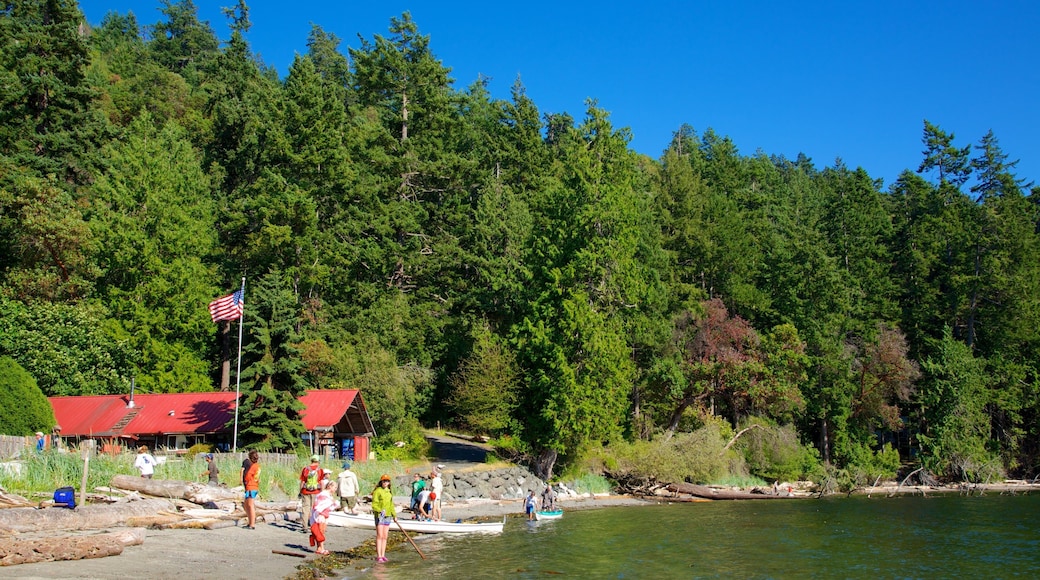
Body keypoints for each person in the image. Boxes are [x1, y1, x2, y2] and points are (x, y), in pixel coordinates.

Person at [299, 455, 330, 533]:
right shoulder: (320, 470)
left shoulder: (305, 469)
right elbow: (321, 482)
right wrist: (322, 492)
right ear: (318, 461)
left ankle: (305, 526)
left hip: (305, 491)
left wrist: (300, 491)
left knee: (305, 509)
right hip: (316, 492)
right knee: (315, 509)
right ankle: (314, 526)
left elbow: (302, 481)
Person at [371, 474, 397, 563]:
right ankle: (379, 556)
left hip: (388, 515)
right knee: (380, 536)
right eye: (384, 481)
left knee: (385, 536)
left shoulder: (389, 492)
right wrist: (379, 510)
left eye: (387, 481)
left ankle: (383, 555)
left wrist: (394, 515)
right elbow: (374, 504)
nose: (385, 482)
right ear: (381, 482)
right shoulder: (377, 491)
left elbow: (391, 505)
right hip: (380, 516)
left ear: (389, 482)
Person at [309, 480, 337, 555]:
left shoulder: (328, 495)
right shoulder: (324, 494)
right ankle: (321, 548)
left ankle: (319, 548)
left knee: (320, 532)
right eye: (335, 487)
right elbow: (319, 506)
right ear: (330, 486)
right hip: (320, 515)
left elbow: (328, 505)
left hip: (324, 514)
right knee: (320, 532)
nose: (335, 489)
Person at [241, 450, 260, 529]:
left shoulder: (253, 467)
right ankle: (250, 521)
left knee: (250, 505)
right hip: (254, 486)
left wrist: (245, 480)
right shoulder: (258, 466)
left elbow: (248, 476)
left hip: (251, 486)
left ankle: (252, 524)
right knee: (246, 505)